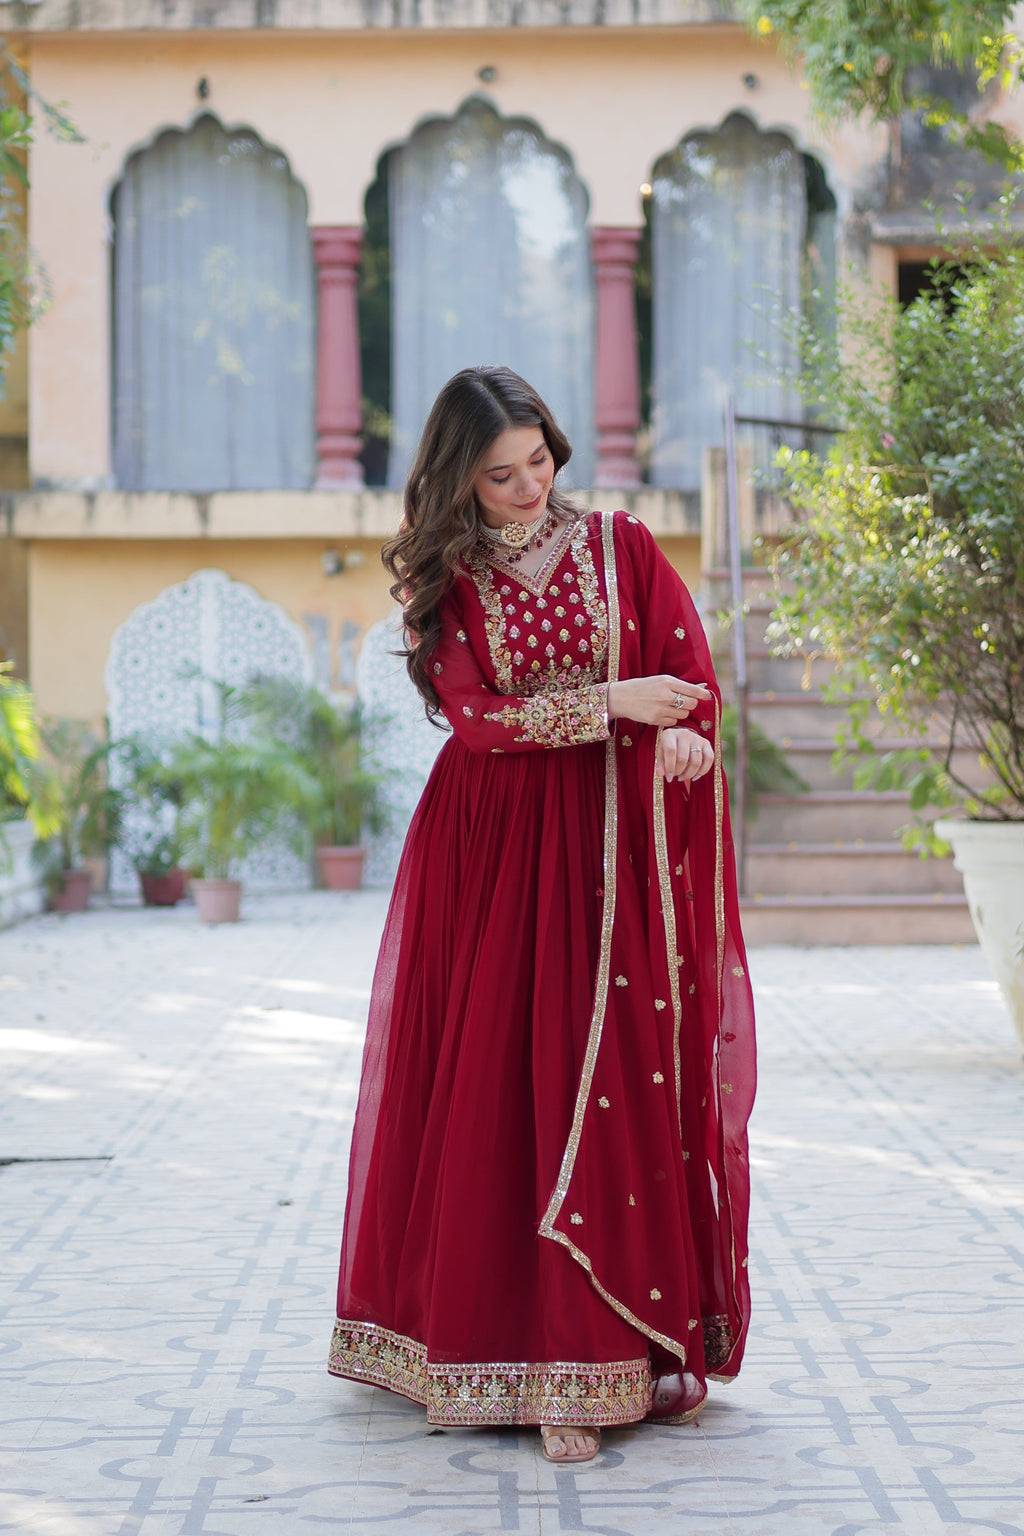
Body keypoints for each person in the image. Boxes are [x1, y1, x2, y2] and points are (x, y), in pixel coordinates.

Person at [328, 366, 755, 1464]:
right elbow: (478, 723)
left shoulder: (623, 546)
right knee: (505, 1084)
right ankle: (506, 1355)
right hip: (499, 853)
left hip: (613, 851)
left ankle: (607, 1356)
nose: (528, 487)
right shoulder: (455, 579)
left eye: (539, 461)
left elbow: (682, 669)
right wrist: (615, 704)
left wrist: (681, 732)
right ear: (459, 482)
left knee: (606, 1075)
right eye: (499, 474)